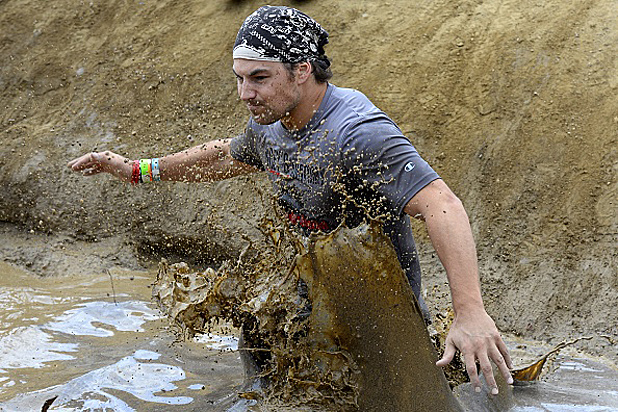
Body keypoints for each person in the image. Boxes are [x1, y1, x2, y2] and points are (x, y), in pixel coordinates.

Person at [68, 5, 513, 395]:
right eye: (240, 79)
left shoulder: (357, 132)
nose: (245, 94)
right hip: (306, 301)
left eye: (259, 78)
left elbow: (443, 204)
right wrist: (136, 170)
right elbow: (226, 156)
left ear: (302, 69)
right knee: (256, 345)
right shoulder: (270, 122)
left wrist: (469, 311)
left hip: (378, 316)